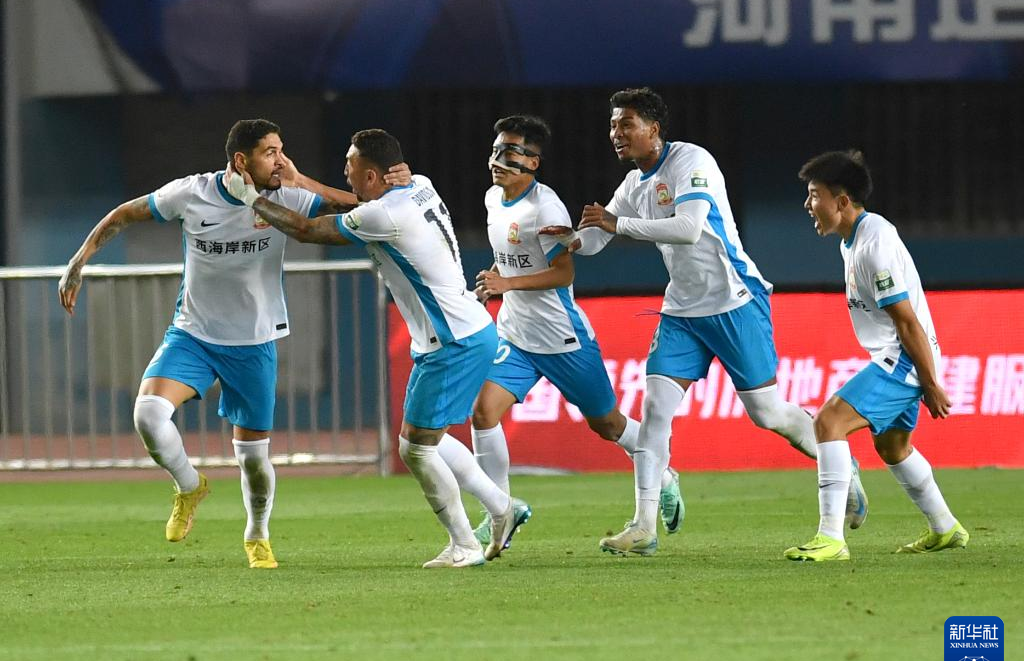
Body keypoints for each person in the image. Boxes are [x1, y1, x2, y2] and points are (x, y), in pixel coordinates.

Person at [57, 118, 408, 569]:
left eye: (282, 150)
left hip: (254, 344)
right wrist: (77, 262)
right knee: (147, 414)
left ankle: (257, 535)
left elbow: (358, 203)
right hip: (193, 335)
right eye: (271, 152)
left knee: (255, 463)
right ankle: (189, 486)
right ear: (241, 160)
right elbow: (124, 213)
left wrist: (395, 184)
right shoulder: (192, 192)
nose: (280, 160)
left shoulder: (287, 196)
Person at [561, 87, 869, 556]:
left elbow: (687, 229)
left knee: (767, 413)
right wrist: (571, 241)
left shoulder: (691, 162)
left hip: (733, 299)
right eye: (612, 125)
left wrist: (614, 225)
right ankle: (644, 526)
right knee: (656, 408)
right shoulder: (632, 185)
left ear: (654, 129)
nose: (616, 134)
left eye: (626, 124)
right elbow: (599, 237)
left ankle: (842, 465)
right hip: (683, 311)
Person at [223, 128, 529, 568]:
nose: (344, 172)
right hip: (464, 328)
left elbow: (308, 230)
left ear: (370, 174)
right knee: (428, 438)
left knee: (415, 449)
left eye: (350, 167)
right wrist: (300, 182)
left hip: (452, 339)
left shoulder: (384, 215)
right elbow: (364, 203)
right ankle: (503, 508)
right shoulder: (418, 184)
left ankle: (465, 543)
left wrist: (252, 198)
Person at [471, 114, 683, 544]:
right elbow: (512, 255)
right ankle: (499, 512)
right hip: (516, 335)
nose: (498, 159)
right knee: (482, 413)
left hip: (561, 339)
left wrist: (506, 283)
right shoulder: (495, 198)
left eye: (510, 152)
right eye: (496, 150)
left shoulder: (544, 209)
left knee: (607, 424)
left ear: (533, 162)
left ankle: (663, 473)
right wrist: (494, 279)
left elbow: (562, 273)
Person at [785, 150, 968, 561]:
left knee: (828, 422)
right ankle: (946, 528)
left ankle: (831, 538)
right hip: (899, 356)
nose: (807, 205)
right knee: (893, 448)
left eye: (814, 195)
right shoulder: (854, 241)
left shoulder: (873, 247)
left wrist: (931, 383)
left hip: (903, 358)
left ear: (842, 201)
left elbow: (906, 322)